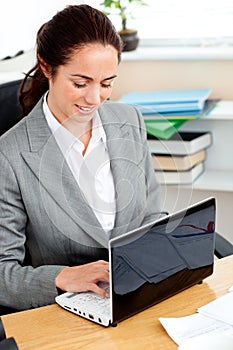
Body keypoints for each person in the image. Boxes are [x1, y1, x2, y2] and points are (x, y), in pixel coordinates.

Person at [0, 4, 161, 311]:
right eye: (80, 83)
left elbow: (151, 216)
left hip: (140, 296)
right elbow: (2, 273)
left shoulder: (130, 121)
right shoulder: (9, 157)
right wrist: (62, 277)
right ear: (47, 67)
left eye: (107, 84)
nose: (94, 99)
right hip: (67, 314)